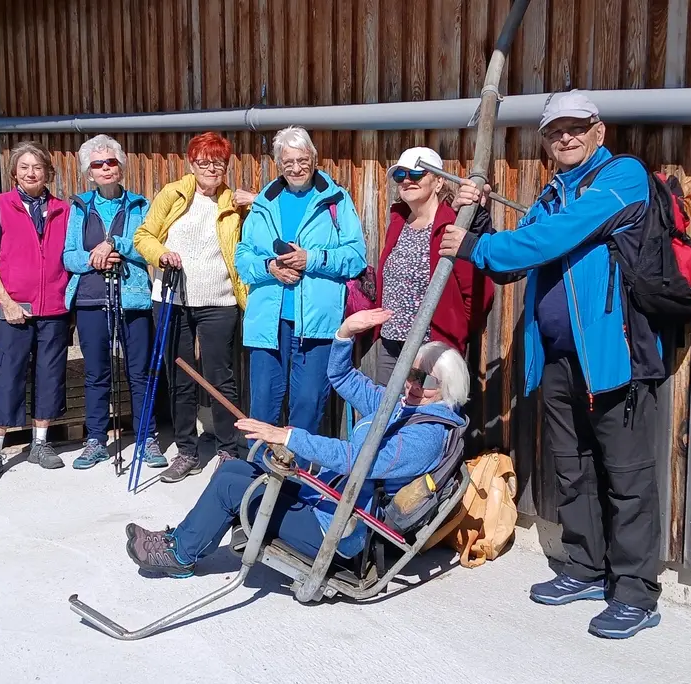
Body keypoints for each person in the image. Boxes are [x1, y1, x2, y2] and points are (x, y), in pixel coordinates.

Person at [440, 90, 663, 639]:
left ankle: (635, 593)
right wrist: (482, 220)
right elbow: (514, 261)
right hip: (560, 359)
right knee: (572, 466)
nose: (565, 137)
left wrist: (474, 247)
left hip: (614, 359)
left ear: (598, 131)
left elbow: (550, 240)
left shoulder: (623, 177)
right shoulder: (551, 193)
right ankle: (585, 568)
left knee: (627, 478)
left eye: (575, 127)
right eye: (554, 131)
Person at [123, 308, 469, 578]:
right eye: (411, 373)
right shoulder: (401, 406)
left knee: (231, 488)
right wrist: (345, 332)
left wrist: (288, 436)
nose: (412, 385)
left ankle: (180, 554)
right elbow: (341, 376)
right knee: (236, 469)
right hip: (326, 499)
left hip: (337, 529)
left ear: (447, 390)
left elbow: (355, 459)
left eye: (425, 380)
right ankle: (182, 539)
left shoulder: (426, 436)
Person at [234, 127, 367, 461]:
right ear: (278, 163)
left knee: (307, 405)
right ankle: (259, 473)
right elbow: (243, 256)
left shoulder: (336, 200)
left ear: (314, 159)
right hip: (268, 323)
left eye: (302, 160)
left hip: (317, 324)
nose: (296, 168)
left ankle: (300, 478)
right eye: (288, 161)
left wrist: (313, 259)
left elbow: (356, 257)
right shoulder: (264, 203)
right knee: (262, 405)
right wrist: (269, 267)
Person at [133, 132, 247, 484]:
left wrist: (257, 202)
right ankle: (187, 452)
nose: (211, 169)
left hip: (219, 300)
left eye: (218, 163)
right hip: (172, 298)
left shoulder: (234, 202)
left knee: (219, 377)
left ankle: (229, 450)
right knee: (179, 377)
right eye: (204, 162)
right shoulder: (173, 194)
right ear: (192, 163)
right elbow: (143, 236)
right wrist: (161, 254)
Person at [0, 141, 72, 484]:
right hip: (12, 309)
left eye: (38, 167)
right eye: (24, 167)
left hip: (54, 309)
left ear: (48, 172)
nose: (31, 173)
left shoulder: (63, 210)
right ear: (14, 173)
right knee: (6, 375)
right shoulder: (0, 206)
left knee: (49, 375)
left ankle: (40, 443)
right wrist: (6, 301)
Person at [64, 135, 163, 469]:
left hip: (133, 299)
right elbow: (69, 256)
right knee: (96, 373)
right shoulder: (80, 207)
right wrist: (96, 258)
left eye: (111, 162)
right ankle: (95, 440)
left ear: (121, 166)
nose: (105, 168)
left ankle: (146, 438)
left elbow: (149, 248)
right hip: (91, 299)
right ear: (89, 172)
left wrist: (117, 244)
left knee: (140, 372)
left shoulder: (140, 205)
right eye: (98, 164)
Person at [371, 146, 496, 383]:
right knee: (383, 405)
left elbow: (480, 292)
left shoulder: (452, 225)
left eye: (416, 174)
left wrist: (455, 329)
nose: (407, 180)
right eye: (400, 175)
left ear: (439, 182)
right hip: (391, 343)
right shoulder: (398, 223)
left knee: (430, 406)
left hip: (432, 348)